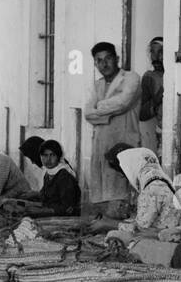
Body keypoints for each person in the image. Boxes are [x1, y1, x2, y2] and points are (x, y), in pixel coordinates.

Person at [83, 41, 141, 217]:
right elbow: (87, 113)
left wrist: (99, 108)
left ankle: (119, 223)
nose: (104, 64)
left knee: (122, 188)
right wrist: (108, 111)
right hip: (101, 143)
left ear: (116, 58)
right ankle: (105, 224)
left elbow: (124, 102)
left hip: (124, 140)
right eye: (99, 60)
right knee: (102, 190)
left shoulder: (131, 78)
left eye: (108, 58)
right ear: (95, 64)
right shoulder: (97, 85)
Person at [17, 139, 80, 216]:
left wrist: (39, 211)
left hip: (63, 218)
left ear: (58, 156)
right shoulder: (48, 174)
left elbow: (67, 208)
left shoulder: (64, 176)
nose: (48, 159)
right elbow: (45, 198)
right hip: (49, 211)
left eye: (52, 155)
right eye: (45, 155)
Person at [138, 37, 164, 154]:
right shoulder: (149, 77)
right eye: (152, 52)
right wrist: (156, 102)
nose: (156, 56)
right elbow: (142, 114)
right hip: (162, 133)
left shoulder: (178, 74)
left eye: (161, 52)